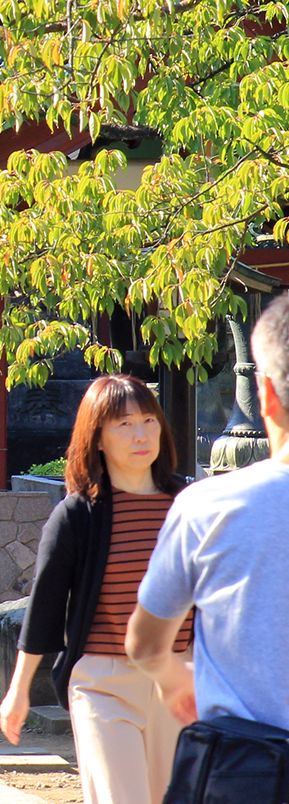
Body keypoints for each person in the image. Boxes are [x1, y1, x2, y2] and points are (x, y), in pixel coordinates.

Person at [0, 374, 190, 804]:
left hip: (179, 679)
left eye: (148, 420)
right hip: (104, 683)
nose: (141, 434)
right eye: (123, 425)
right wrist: (18, 690)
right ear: (97, 438)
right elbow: (45, 606)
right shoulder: (77, 515)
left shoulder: (190, 504)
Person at [128, 295, 289, 788]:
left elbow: (146, 643)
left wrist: (178, 683)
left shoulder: (209, 506)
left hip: (246, 771)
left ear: (264, 394)